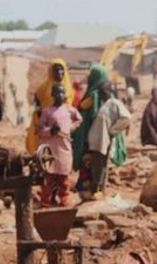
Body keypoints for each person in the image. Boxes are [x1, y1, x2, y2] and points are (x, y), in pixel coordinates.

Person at [82, 84, 132, 199]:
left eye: (103, 93)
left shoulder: (115, 103)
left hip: (103, 139)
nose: (102, 95)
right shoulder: (107, 103)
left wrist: (113, 130)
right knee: (97, 164)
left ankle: (99, 191)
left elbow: (127, 118)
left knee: (99, 164)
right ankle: (98, 190)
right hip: (97, 140)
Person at [36, 84, 82, 208]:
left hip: (64, 149)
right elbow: (39, 130)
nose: (59, 95)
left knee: (64, 182)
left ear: (65, 95)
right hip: (50, 151)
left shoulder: (69, 110)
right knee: (48, 183)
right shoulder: (47, 111)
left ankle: (64, 207)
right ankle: (45, 206)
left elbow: (79, 119)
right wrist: (50, 131)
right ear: (52, 95)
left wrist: (69, 128)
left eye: (62, 93)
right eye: (57, 93)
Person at [72, 64, 110, 195]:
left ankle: (86, 191)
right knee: (100, 164)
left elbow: (81, 109)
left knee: (87, 164)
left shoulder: (92, 96)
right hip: (103, 138)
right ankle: (98, 190)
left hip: (89, 138)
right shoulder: (107, 96)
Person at [26, 60, 73, 153]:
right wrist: (41, 117)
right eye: (56, 70)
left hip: (62, 125)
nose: (59, 72)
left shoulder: (69, 89)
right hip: (46, 123)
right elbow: (37, 102)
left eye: (61, 69)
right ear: (51, 71)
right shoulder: (43, 88)